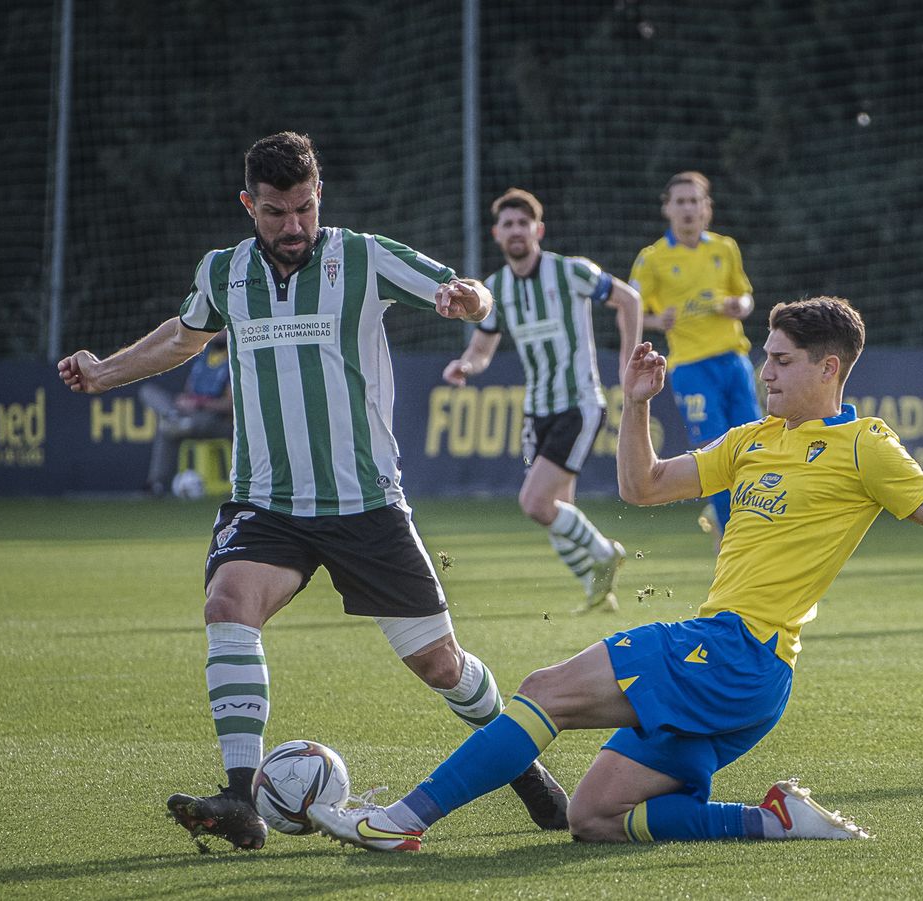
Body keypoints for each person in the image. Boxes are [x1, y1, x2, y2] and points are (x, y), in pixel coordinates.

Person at [307, 296, 923, 850]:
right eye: (764, 357)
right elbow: (642, 487)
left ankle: (400, 821)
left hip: (739, 652)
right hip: (740, 675)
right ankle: (773, 820)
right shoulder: (750, 440)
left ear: (830, 368)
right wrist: (636, 404)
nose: (764, 371)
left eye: (782, 360)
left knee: (546, 687)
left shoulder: (864, 446)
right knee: (595, 815)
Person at [56, 132, 569, 850]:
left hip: (366, 506)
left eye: (304, 208)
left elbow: (471, 292)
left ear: (318, 196)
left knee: (440, 665)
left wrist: (466, 300)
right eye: (275, 212)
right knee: (227, 605)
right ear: (248, 204)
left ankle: (526, 771)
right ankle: (241, 800)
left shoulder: (363, 256)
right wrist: (104, 371)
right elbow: (184, 336)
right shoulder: (223, 270)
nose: (293, 225)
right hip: (267, 503)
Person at [444, 188, 643, 613]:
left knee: (534, 503)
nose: (516, 230)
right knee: (557, 509)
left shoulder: (570, 271)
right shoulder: (496, 288)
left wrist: (628, 362)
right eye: (508, 224)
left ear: (539, 230)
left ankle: (605, 552)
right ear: (497, 234)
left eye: (524, 223)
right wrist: (466, 366)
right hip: (537, 410)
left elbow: (629, 299)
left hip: (579, 403)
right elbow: (482, 348)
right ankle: (596, 590)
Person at [630, 171, 760, 551]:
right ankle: (733, 537)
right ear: (667, 208)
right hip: (690, 366)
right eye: (681, 201)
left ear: (707, 208)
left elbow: (746, 295)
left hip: (734, 361)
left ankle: (749, 526)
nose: (688, 209)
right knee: (716, 453)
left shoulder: (725, 248)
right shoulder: (653, 258)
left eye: (694, 201)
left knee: (754, 449)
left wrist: (741, 306)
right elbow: (630, 307)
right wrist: (657, 320)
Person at [139, 330, 233, 497]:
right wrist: (185, 401)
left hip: (217, 421)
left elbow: (230, 405)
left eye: (223, 330)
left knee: (167, 429)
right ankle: (156, 484)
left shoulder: (234, 359)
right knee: (148, 392)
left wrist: (200, 403)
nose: (218, 334)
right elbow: (189, 391)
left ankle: (176, 420)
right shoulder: (203, 357)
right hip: (191, 414)